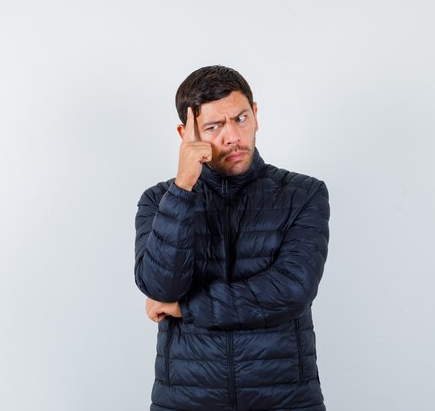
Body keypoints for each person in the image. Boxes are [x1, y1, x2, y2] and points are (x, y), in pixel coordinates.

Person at [134, 65, 330, 411]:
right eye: (214, 127)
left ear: (255, 114)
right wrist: (183, 188)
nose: (232, 137)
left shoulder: (303, 194)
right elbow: (161, 287)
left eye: (240, 119)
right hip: (187, 400)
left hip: (284, 400)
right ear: (186, 134)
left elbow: (291, 290)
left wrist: (186, 307)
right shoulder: (160, 200)